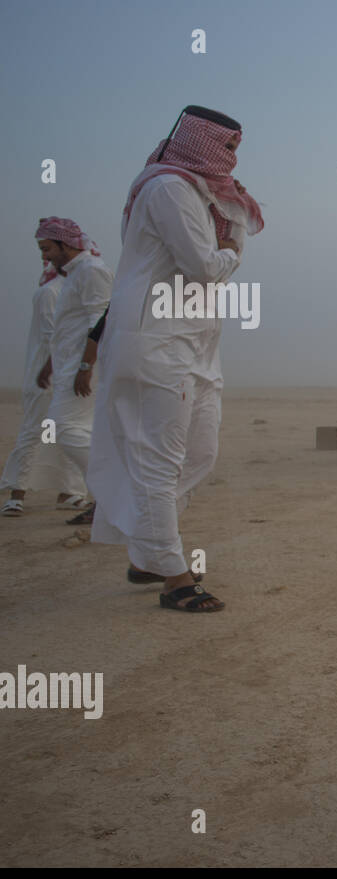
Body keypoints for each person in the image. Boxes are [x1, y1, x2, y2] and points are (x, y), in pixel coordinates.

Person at [87, 105, 263, 612]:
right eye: (226, 147)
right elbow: (205, 267)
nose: (232, 157)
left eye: (235, 148)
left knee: (200, 452)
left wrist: (232, 236)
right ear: (198, 143)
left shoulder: (207, 196)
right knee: (158, 464)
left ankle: (147, 551)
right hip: (154, 342)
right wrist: (232, 249)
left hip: (196, 345)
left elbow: (223, 249)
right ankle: (174, 578)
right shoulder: (169, 189)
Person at [33, 218, 114, 525]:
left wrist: (86, 366)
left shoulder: (92, 271)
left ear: (66, 244)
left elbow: (102, 320)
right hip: (70, 365)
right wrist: (52, 365)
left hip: (83, 367)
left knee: (63, 427)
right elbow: (69, 328)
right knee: (82, 431)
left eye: (47, 248)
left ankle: (112, 494)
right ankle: (104, 500)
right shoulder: (75, 274)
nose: (45, 257)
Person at [0, 255, 89, 516]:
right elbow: (56, 337)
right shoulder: (49, 293)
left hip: (67, 375)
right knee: (34, 432)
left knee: (68, 432)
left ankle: (70, 491)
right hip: (46, 377)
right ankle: (17, 492)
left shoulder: (72, 290)